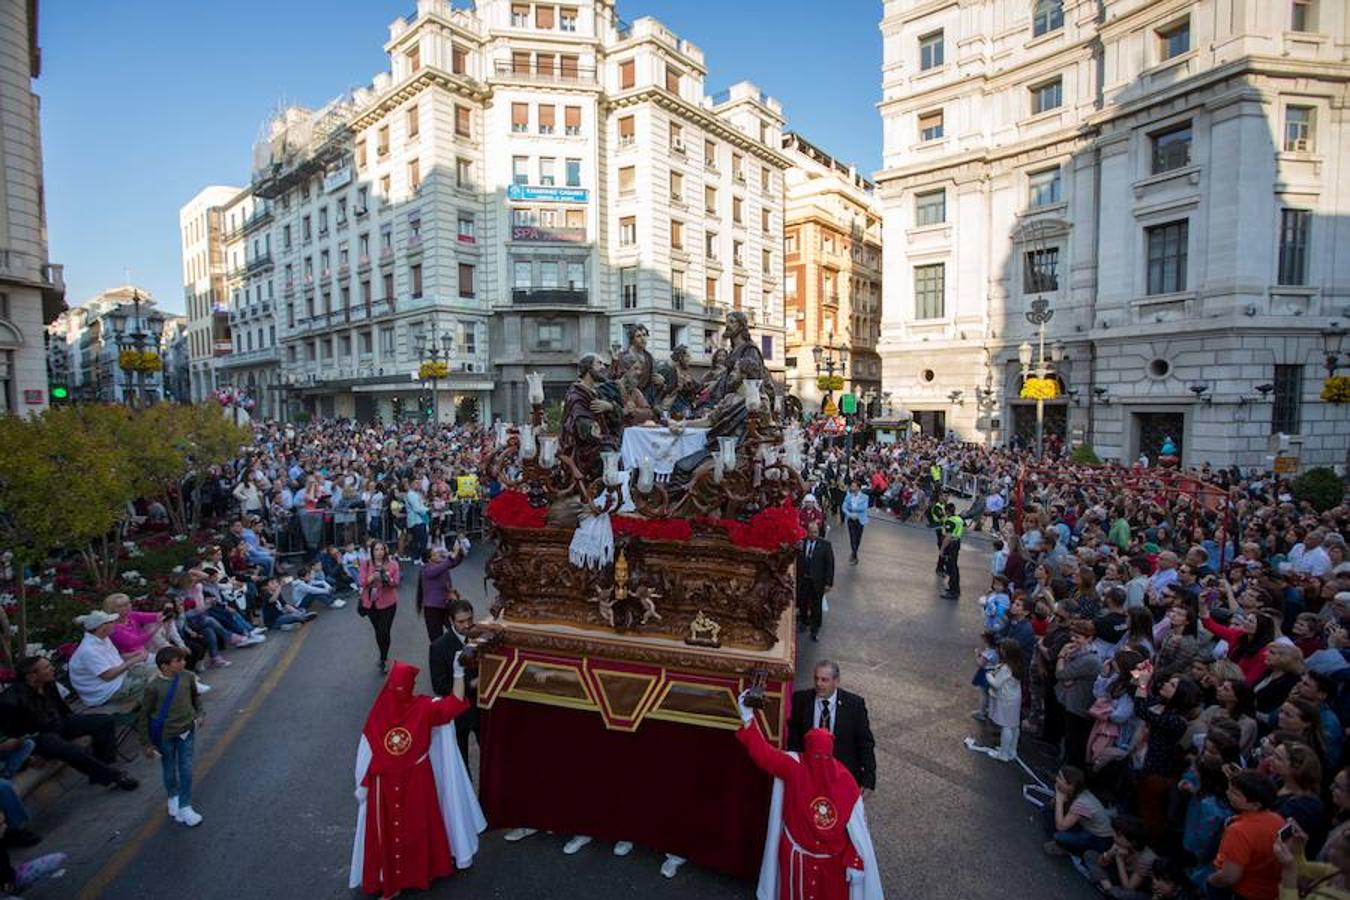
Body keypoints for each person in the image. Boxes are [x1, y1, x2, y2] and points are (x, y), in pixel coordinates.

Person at [348, 659, 486, 900]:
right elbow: (454, 704)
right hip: (414, 782)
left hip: (386, 786)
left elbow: (364, 754)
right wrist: (457, 673)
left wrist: (362, 788)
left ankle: (393, 882)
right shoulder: (423, 707)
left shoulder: (381, 712)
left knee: (392, 833)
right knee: (418, 827)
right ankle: (420, 873)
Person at [734, 692, 884, 899]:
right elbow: (765, 755)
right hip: (799, 861)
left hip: (827, 865)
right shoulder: (840, 778)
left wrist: (747, 717)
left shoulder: (799, 768)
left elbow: (857, 832)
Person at [0, 656, 139, 792]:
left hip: (59, 723)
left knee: (103, 721)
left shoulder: (48, 683)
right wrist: (28, 758)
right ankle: (113, 777)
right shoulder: (10, 701)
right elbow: (14, 737)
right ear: (32, 676)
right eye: (47, 667)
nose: (52, 669)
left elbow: (63, 710)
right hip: (39, 737)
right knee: (68, 748)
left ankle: (103, 768)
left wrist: (78, 722)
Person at [136, 647, 205, 827]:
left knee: (186, 767)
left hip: (187, 730)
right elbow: (144, 716)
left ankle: (185, 805)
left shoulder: (188, 677)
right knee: (168, 767)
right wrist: (146, 743)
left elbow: (195, 697)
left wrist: (200, 713)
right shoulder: (153, 688)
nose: (183, 663)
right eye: (178, 661)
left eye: (183, 659)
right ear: (165, 666)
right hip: (165, 735)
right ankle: (173, 795)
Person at [786, 661, 876, 793]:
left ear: (836, 681)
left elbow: (865, 743)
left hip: (841, 776)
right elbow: (794, 738)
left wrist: (868, 779)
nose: (818, 684)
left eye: (824, 680)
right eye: (816, 679)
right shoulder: (801, 700)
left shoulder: (854, 705)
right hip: (809, 776)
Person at [1208, 770, 1284, 899]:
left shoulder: (1238, 831)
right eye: (1229, 789)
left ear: (1255, 804)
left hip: (1244, 893)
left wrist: (1211, 880)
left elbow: (1230, 877)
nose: (1228, 793)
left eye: (1235, 793)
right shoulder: (1277, 819)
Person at [428, 599, 481, 765]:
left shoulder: (481, 638)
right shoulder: (438, 647)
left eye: (470, 619)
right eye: (461, 622)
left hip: (482, 711)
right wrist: (471, 684)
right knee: (460, 763)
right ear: (451, 621)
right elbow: (439, 685)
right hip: (458, 715)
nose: (467, 625)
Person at [67, 610, 152, 708]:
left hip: (118, 677)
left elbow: (113, 659)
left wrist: (133, 654)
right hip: (104, 691)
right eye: (111, 622)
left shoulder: (103, 638)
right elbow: (108, 675)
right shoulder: (88, 650)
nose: (115, 624)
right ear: (101, 628)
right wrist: (134, 660)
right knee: (151, 684)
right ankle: (131, 708)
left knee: (155, 671)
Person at [360, 541, 402, 674]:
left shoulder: (393, 564)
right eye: (376, 549)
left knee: (384, 631)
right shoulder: (366, 564)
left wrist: (387, 578)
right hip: (371, 604)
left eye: (381, 549)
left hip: (388, 603)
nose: (379, 552)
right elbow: (361, 582)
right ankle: (382, 654)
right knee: (378, 632)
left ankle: (383, 658)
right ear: (372, 551)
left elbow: (396, 583)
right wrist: (373, 576)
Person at [418, 536, 469, 642]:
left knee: (457, 629)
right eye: (436, 553)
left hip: (446, 604)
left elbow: (454, 562)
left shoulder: (441, 564)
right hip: (433, 608)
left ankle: (461, 650)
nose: (440, 554)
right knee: (436, 637)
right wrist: (452, 555)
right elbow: (444, 566)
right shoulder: (427, 569)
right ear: (429, 558)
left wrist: (460, 553)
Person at [796, 521, 835, 643]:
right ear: (807, 532)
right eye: (810, 532)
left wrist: (829, 583)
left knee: (816, 606)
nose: (813, 534)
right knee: (802, 602)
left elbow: (830, 565)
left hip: (817, 581)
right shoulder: (801, 542)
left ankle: (815, 629)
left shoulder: (826, 545)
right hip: (804, 579)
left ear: (818, 532)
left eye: (815, 532)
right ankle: (803, 622)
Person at [939, 501, 966, 599]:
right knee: (954, 567)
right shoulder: (959, 519)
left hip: (951, 545)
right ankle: (954, 588)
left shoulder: (950, 521)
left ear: (947, 511)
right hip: (957, 543)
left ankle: (953, 591)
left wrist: (942, 549)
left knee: (951, 568)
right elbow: (964, 529)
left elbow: (948, 537)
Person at [841, 480, 869, 565]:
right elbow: (844, 507)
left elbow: (863, 508)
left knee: (858, 539)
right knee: (852, 537)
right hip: (851, 520)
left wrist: (852, 508)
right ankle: (854, 556)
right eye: (851, 486)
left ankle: (854, 553)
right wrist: (849, 514)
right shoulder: (848, 496)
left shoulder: (865, 497)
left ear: (858, 488)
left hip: (860, 520)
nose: (851, 487)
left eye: (853, 486)